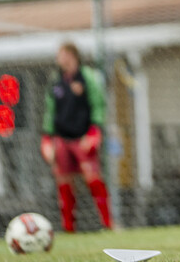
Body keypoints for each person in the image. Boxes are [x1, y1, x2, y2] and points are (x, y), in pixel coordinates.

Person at [41, 42, 112, 232]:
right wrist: (47, 138)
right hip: (62, 138)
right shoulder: (56, 80)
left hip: (83, 136)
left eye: (61, 54)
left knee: (93, 178)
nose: (59, 59)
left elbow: (98, 105)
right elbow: (50, 111)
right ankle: (69, 227)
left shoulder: (88, 77)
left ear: (72, 55)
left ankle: (107, 223)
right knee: (63, 181)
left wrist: (95, 130)